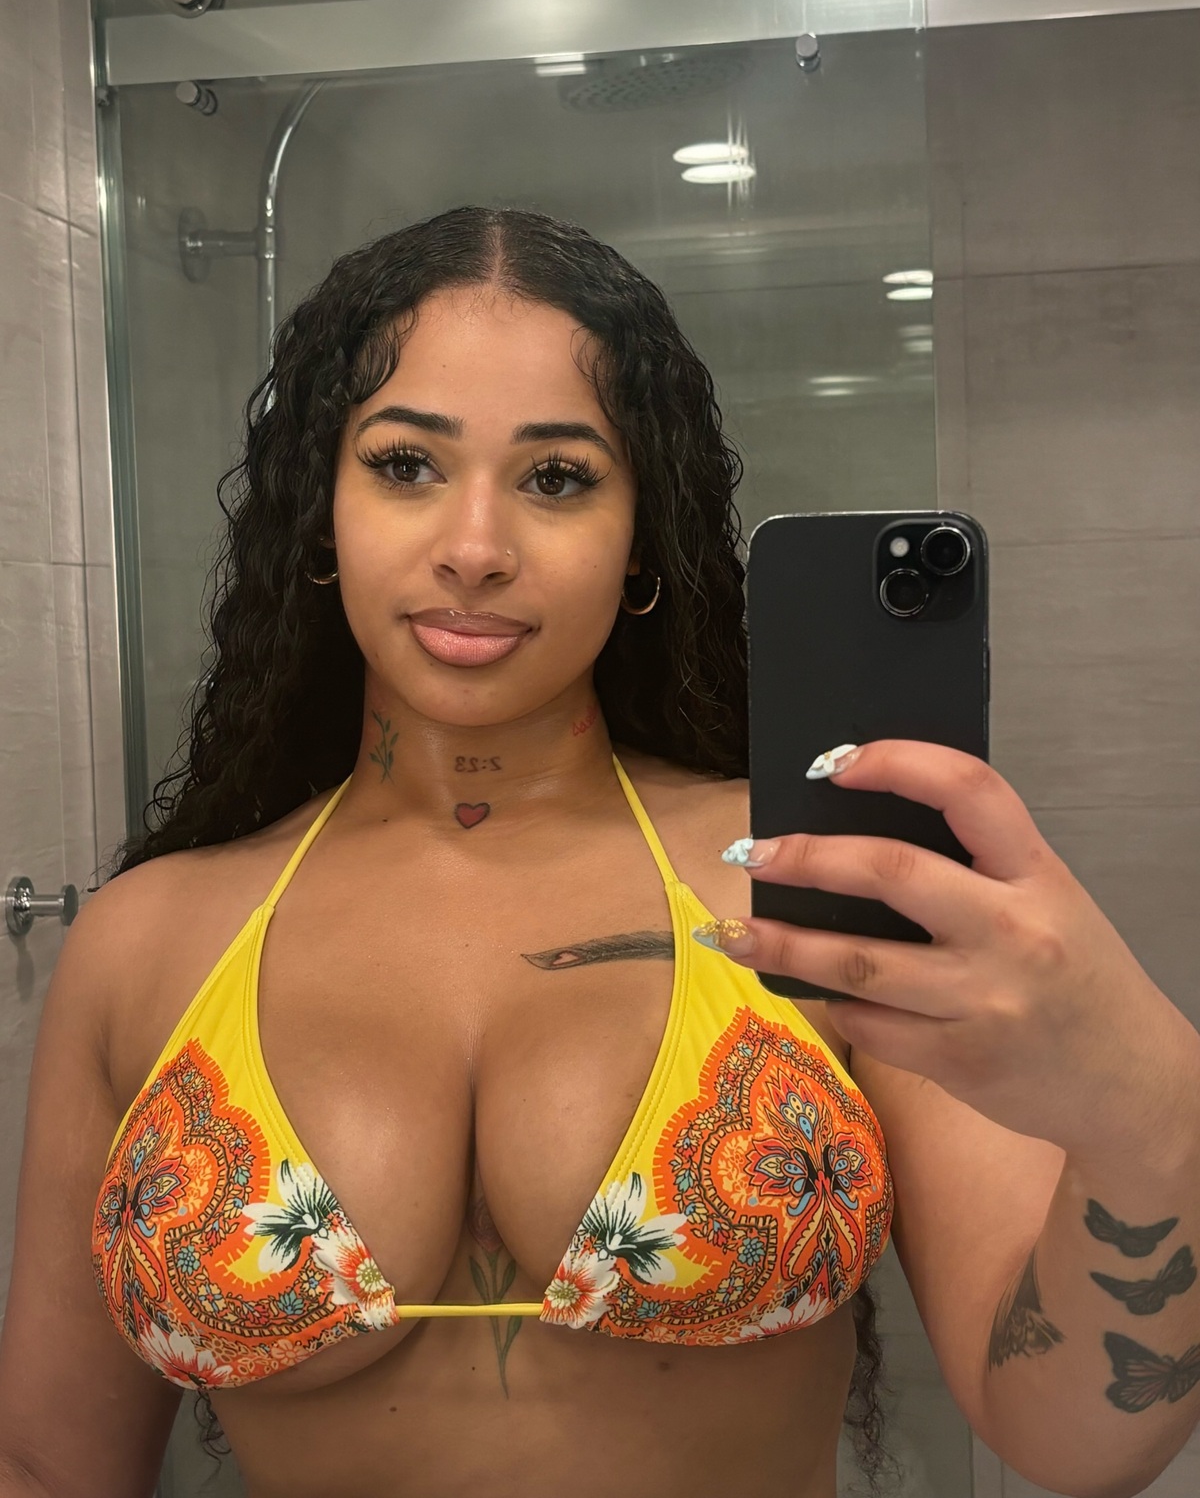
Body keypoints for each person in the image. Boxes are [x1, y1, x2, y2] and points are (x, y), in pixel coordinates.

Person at [1, 207, 1198, 1498]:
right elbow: (51, 1467)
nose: (474, 549)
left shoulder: (815, 878)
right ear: (321, 515)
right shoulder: (144, 945)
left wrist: (1151, 1102)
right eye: (405, 464)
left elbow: (1074, 1436)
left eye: (557, 478)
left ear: (641, 538)